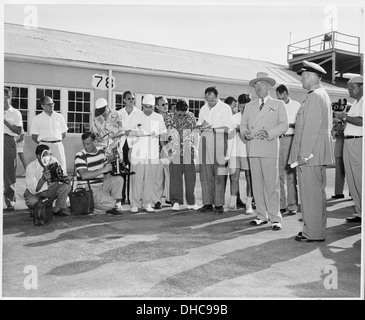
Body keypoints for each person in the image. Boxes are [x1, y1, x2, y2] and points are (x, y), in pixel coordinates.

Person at [289, 60, 334, 242]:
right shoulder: (318, 94)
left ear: (310, 76)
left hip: (311, 154)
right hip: (315, 153)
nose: (302, 80)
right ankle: (311, 228)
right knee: (312, 193)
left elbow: (310, 129)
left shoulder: (316, 96)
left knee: (311, 194)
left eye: (303, 77)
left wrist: (303, 155)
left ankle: (314, 233)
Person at [240, 72, 288, 231]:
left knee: (272, 184)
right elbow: (243, 125)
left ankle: (275, 217)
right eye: (256, 85)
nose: (258, 87)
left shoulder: (278, 104)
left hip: (269, 148)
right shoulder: (249, 106)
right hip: (253, 148)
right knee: (257, 185)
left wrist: (269, 133)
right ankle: (261, 215)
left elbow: (284, 125)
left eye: (261, 84)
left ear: (269, 86)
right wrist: (245, 133)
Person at [196, 86, 234, 215]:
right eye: (208, 100)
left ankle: (218, 204)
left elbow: (227, 127)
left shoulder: (225, 108)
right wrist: (201, 126)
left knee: (219, 173)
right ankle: (207, 203)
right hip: (205, 140)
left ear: (217, 97)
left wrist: (213, 128)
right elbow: (200, 124)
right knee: (205, 173)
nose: (210, 103)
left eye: (212, 100)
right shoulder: (203, 108)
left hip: (218, 139)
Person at [129, 94, 167, 213]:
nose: (148, 110)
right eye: (146, 107)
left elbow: (164, 132)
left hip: (152, 154)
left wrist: (160, 134)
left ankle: (147, 203)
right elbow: (129, 132)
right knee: (136, 179)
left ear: (154, 107)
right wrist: (130, 147)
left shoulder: (158, 117)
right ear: (142, 106)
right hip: (138, 153)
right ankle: (134, 203)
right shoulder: (136, 115)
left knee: (150, 180)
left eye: (150, 107)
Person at [334, 76, 363, 223]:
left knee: (359, 179)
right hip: (349, 141)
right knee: (352, 179)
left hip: (359, 142)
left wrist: (345, 117)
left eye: (352, 87)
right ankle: (359, 212)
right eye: (348, 87)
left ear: (362, 86)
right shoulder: (356, 103)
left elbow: (362, 121)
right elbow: (351, 123)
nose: (349, 90)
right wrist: (341, 124)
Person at [74, 131, 124, 215]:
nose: (86, 146)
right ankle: (91, 207)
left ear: (95, 142)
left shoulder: (101, 152)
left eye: (88, 144)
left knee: (119, 179)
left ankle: (110, 205)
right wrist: (102, 170)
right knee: (111, 203)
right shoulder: (80, 156)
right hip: (88, 188)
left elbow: (106, 167)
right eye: (84, 144)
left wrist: (112, 159)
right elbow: (84, 175)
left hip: (101, 184)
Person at [164, 100, 200, 211]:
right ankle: (176, 202)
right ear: (175, 110)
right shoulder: (169, 117)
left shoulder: (191, 116)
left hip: (188, 151)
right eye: (179, 114)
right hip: (174, 152)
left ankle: (191, 202)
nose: (182, 116)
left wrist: (195, 148)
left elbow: (195, 132)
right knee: (175, 178)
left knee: (191, 178)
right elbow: (167, 134)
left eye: (184, 114)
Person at [24, 144, 71, 217]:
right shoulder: (31, 167)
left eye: (50, 154)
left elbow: (63, 174)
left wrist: (64, 177)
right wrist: (42, 179)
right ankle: (36, 209)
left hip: (50, 190)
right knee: (32, 201)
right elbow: (33, 189)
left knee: (66, 186)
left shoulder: (53, 161)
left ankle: (57, 209)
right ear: (38, 156)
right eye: (46, 155)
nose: (49, 157)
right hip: (37, 193)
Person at [275, 84, 301, 215]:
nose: (280, 100)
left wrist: (289, 125)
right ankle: (281, 204)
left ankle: (292, 205)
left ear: (286, 93)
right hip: (277, 140)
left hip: (290, 139)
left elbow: (300, 123)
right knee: (278, 174)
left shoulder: (296, 105)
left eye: (282, 97)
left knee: (291, 173)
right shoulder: (275, 106)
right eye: (278, 98)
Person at [227, 93, 254, 213]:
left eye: (246, 106)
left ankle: (249, 204)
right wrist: (237, 130)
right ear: (238, 105)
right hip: (235, 151)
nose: (243, 109)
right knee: (234, 177)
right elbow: (228, 135)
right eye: (241, 106)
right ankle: (233, 202)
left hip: (248, 151)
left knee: (250, 178)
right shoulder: (233, 118)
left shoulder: (254, 117)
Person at [118, 91, 144, 203]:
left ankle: (133, 197)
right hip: (122, 144)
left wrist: (129, 132)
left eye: (133, 98)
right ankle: (122, 197)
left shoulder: (139, 113)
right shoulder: (118, 113)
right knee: (122, 171)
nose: (131, 100)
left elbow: (141, 131)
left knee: (133, 172)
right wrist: (126, 132)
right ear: (124, 100)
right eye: (128, 98)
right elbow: (118, 130)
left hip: (134, 145)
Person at [31, 96, 68, 173]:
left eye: (52, 104)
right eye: (49, 104)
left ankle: (61, 184)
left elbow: (64, 133)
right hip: (44, 146)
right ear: (42, 106)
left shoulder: (59, 117)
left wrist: (55, 141)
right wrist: (44, 143)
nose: (51, 106)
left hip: (58, 145)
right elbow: (34, 136)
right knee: (44, 169)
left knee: (61, 167)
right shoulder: (37, 119)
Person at [3, 87, 23, 211]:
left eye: (7, 96)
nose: (5, 98)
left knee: (9, 172)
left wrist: (4, 121)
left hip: (8, 140)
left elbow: (18, 131)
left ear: (10, 97)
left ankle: (10, 201)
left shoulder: (15, 113)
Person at [153, 96, 171, 209]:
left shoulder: (172, 119)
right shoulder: (155, 119)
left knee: (170, 176)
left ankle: (170, 198)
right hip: (158, 151)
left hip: (170, 151)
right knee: (158, 177)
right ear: (157, 106)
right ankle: (156, 200)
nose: (165, 106)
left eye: (166, 104)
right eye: (163, 104)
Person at [331, 104, 346, 199]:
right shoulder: (335, 124)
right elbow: (332, 134)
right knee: (339, 172)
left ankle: (353, 193)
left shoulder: (346, 122)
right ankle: (339, 192)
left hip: (347, 147)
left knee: (351, 171)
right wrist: (336, 130)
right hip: (339, 147)